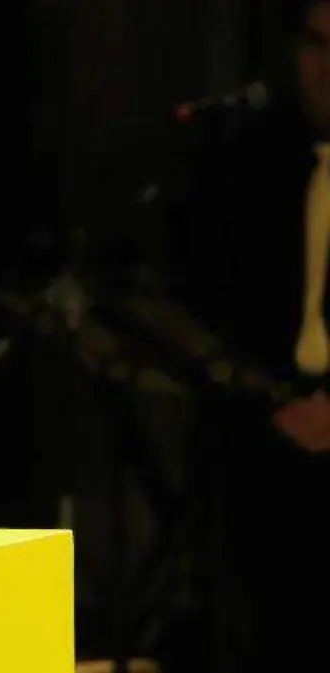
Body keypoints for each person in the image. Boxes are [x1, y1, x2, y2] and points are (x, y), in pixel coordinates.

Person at [165, 0, 330, 668]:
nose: (328, 66)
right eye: (317, 44)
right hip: (269, 422)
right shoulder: (250, 167)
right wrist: (272, 401)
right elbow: (209, 304)